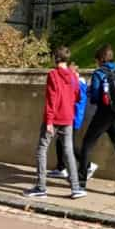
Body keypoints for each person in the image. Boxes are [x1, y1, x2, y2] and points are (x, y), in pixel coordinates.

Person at [24, 46, 87, 200]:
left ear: (55, 58)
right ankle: (76, 187)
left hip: (55, 118)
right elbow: (78, 96)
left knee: (41, 150)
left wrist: (49, 121)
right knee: (68, 152)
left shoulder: (53, 75)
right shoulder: (73, 76)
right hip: (68, 118)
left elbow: (51, 99)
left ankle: (41, 187)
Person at [78, 43, 115, 197]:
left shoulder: (99, 73)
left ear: (100, 59)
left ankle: (81, 184)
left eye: (96, 60)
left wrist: (90, 93)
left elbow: (94, 97)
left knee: (87, 144)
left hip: (103, 114)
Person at [47, 61, 98, 181]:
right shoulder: (78, 82)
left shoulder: (76, 83)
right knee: (61, 142)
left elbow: (74, 101)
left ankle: (88, 165)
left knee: (68, 145)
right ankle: (61, 168)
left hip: (71, 118)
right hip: (72, 117)